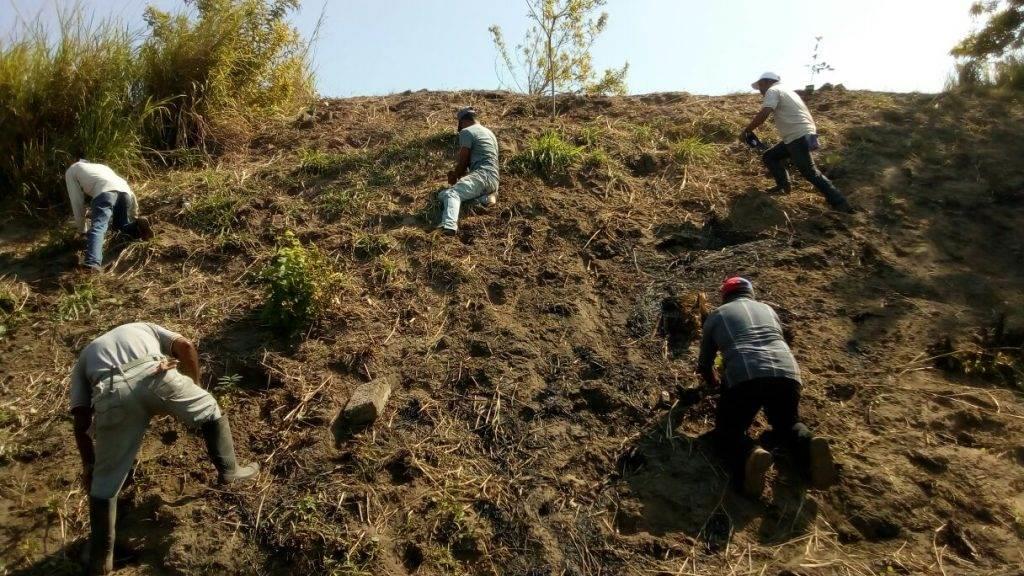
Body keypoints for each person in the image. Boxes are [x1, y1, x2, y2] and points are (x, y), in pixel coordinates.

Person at [70, 322, 259, 574]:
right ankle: (230, 471)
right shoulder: (143, 326)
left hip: (112, 393)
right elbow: (185, 345)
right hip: (156, 374)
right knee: (210, 408)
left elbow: (81, 418)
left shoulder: (85, 357)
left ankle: (100, 561)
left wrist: (90, 464)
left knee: (104, 485)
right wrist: (194, 387)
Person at [696, 277, 837, 498]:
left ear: (725, 296)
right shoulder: (768, 310)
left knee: (728, 432)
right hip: (787, 372)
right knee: (787, 422)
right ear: (750, 293)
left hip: (746, 374)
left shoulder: (718, 315)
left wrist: (713, 383)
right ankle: (809, 444)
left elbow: (704, 363)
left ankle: (751, 455)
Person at [741, 72, 853, 212]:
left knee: (810, 172)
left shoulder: (773, 90)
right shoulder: (788, 92)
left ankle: (840, 203)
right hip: (805, 134)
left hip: (797, 135)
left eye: (760, 86)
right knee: (770, 156)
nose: (760, 91)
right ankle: (783, 186)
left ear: (767, 82)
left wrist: (747, 130)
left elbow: (764, 113)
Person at [65, 154, 154, 272]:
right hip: (125, 193)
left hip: (105, 192)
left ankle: (92, 263)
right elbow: (129, 191)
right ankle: (137, 227)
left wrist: (82, 230)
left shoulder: (72, 169)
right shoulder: (101, 167)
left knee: (98, 226)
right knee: (120, 227)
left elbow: (77, 201)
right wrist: (134, 215)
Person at [436, 107, 499, 236]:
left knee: (451, 194)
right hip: (493, 180)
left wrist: (455, 175)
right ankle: (486, 199)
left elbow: (464, 161)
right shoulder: (489, 133)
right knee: (442, 195)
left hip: (481, 176)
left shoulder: (467, 132)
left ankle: (448, 226)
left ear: (462, 122)